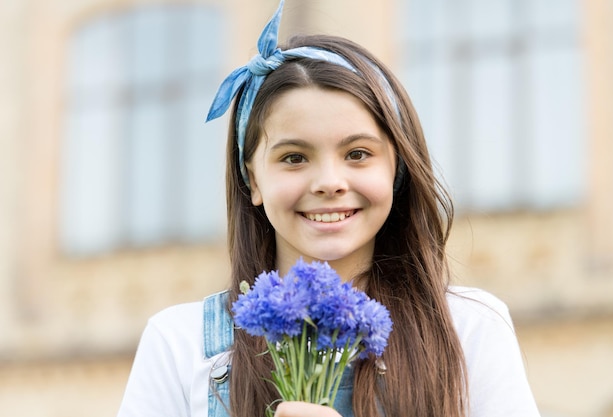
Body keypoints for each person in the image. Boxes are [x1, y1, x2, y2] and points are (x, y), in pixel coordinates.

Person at [117, 1, 541, 416]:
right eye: (294, 158)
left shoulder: (469, 330)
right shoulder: (180, 343)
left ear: (396, 167)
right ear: (252, 179)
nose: (329, 183)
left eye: (357, 154)